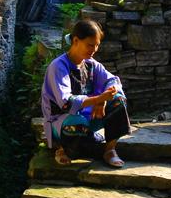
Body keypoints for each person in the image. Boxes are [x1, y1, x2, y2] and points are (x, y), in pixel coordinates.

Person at [41, 19, 131, 167]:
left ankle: (109, 150)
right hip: (62, 122)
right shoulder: (58, 66)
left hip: (89, 118)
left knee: (118, 101)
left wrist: (102, 100)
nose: (94, 49)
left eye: (97, 45)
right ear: (76, 40)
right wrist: (97, 99)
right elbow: (66, 103)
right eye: (90, 45)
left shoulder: (91, 64)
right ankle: (62, 148)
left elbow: (113, 81)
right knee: (77, 123)